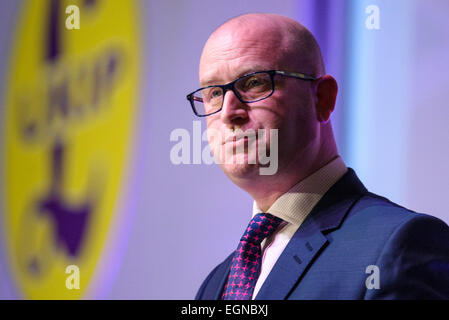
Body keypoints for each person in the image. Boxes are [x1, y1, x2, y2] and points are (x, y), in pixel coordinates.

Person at [186, 13, 449, 299]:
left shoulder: (399, 244)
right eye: (213, 93)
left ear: (322, 98)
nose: (228, 112)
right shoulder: (215, 285)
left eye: (254, 83)